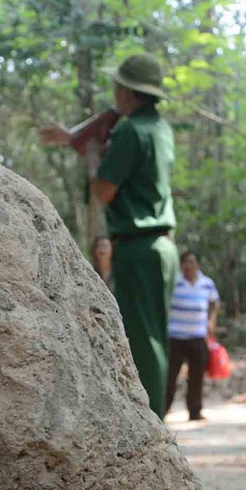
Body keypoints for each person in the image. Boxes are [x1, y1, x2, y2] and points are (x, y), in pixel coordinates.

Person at [39, 54, 178, 417]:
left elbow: (103, 191)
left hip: (137, 246)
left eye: (118, 86)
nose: (114, 92)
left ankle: (153, 423)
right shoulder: (160, 129)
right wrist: (75, 139)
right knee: (155, 336)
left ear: (130, 93)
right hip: (161, 246)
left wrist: (94, 159)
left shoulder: (130, 131)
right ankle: (157, 416)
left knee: (143, 341)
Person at [165, 252, 219, 421]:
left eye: (192, 262)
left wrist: (211, 321)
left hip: (197, 336)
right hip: (175, 336)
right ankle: (163, 410)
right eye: (186, 262)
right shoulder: (173, 282)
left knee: (196, 376)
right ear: (181, 266)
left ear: (198, 265)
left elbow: (214, 302)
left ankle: (195, 411)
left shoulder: (207, 284)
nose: (189, 265)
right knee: (170, 375)